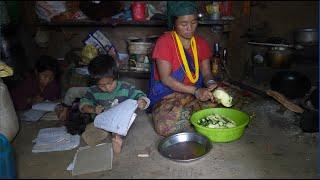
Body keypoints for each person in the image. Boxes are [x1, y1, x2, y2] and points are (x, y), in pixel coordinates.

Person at [148, 1, 220, 137]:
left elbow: (206, 73)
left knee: (224, 103)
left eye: (193, 23)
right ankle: (193, 114)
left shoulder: (201, 43)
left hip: (194, 95)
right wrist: (196, 91)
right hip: (168, 96)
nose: (190, 28)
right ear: (174, 23)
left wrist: (211, 84)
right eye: (183, 24)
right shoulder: (165, 42)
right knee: (164, 128)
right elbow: (166, 78)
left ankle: (190, 113)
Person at [79, 54, 150, 154]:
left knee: (122, 130)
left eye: (110, 83)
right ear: (95, 82)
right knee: (90, 131)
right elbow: (84, 104)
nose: (107, 88)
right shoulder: (93, 91)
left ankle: (116, 140)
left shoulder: (126, 87)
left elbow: (140, 95)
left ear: (116, 77)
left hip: (119, 120)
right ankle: (108, 139)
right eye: (102, 86)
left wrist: (143, 101)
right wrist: (94, 109)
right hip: (103, 121)